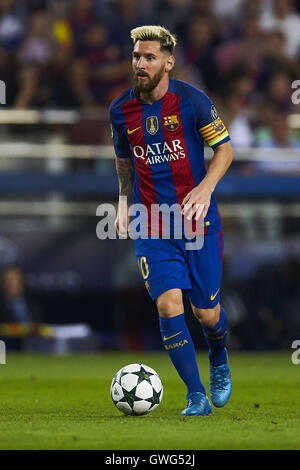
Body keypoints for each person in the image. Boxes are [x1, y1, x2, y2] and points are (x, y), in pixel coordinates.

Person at [109, 25, 233, 416]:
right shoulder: (120, 110)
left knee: (207, 314)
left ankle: (218, 355)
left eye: (149, 57)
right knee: (167, 304)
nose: (141, 64)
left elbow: (225, 150)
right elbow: (125, 160)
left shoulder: (193, 101)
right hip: (153, 221)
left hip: (197, 220)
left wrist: (206, 187)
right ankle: (196, 395)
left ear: (168, 62)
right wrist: (123, 201)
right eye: (136, 57)